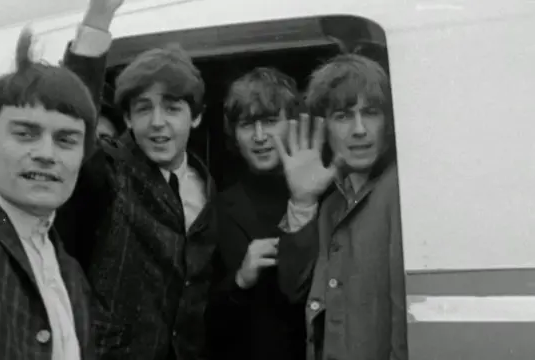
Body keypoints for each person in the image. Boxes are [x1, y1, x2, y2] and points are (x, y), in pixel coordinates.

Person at [0, 0, 120, 358]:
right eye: (26, 133)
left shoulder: (72, 276)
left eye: (66, 140)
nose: (47, 153)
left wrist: (100, 17)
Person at [54, 43, 218, 359]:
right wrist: (97, 22)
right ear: (127, 118)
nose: (157, 122)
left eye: (172, 108)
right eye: (143, 109)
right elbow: (72, 116)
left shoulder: (206, 185)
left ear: (195, 117)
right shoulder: (109, 168)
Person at [274, 54, 408, 360]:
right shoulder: (332, 201)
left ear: (388, 122)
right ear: (325, 128)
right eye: (344, 116)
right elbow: (294, 289)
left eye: (371, 113)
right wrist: (303, 201)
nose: (359, 129)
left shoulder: (401, 187)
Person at [206, 67, 306, 360]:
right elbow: (202, 321)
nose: (260, 137)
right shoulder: (217, 209)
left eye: (271, 121)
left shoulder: (324, 198)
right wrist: (239, 281)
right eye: (248, 124)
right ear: (234, 135)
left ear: (292, 124)